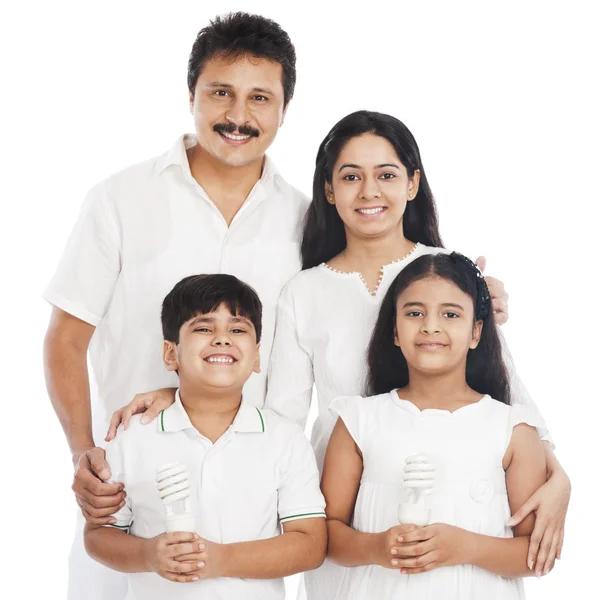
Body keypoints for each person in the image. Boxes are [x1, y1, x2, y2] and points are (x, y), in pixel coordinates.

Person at [108, 112, 568, 595]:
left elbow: (508, 399)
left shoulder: (443, 280)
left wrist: (560, 480)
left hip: (453, 499)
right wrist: (178, 391)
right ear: (328, 190)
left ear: (413, 183)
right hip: (341, 516)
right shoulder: (304, 291)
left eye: (387, 175)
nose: (369, 191)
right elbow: (274, 410)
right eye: (350, 177)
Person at [43, 12, 308, 600]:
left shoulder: (309, 220)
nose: (239, 116)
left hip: (253, 509)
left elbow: (373, 292)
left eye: (260, 97)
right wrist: (83, 451)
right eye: (221, 93)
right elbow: (66, 337)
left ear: (285, 108)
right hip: (129, 499)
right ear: (191, 95)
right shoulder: (120, 198)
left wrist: (471, 289)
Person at [84, 273, 326, 599]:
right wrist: (148, 555)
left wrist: (220, 559)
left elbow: (310, 544)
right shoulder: (131, 437)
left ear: (256, 357)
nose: (222, 339)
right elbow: (99, 535)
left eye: (237, 329)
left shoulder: (285, 440)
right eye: (203, 328)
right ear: (171, 354)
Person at [321, 252, 548, 599]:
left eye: (450, 314)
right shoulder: (358, 421)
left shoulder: (513, 429)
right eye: (414, 313)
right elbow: (328, 533)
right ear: (394, 331)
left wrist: (465, 547)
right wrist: (377, 547)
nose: (430, 326)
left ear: (476, 332)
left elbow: (533, 554)